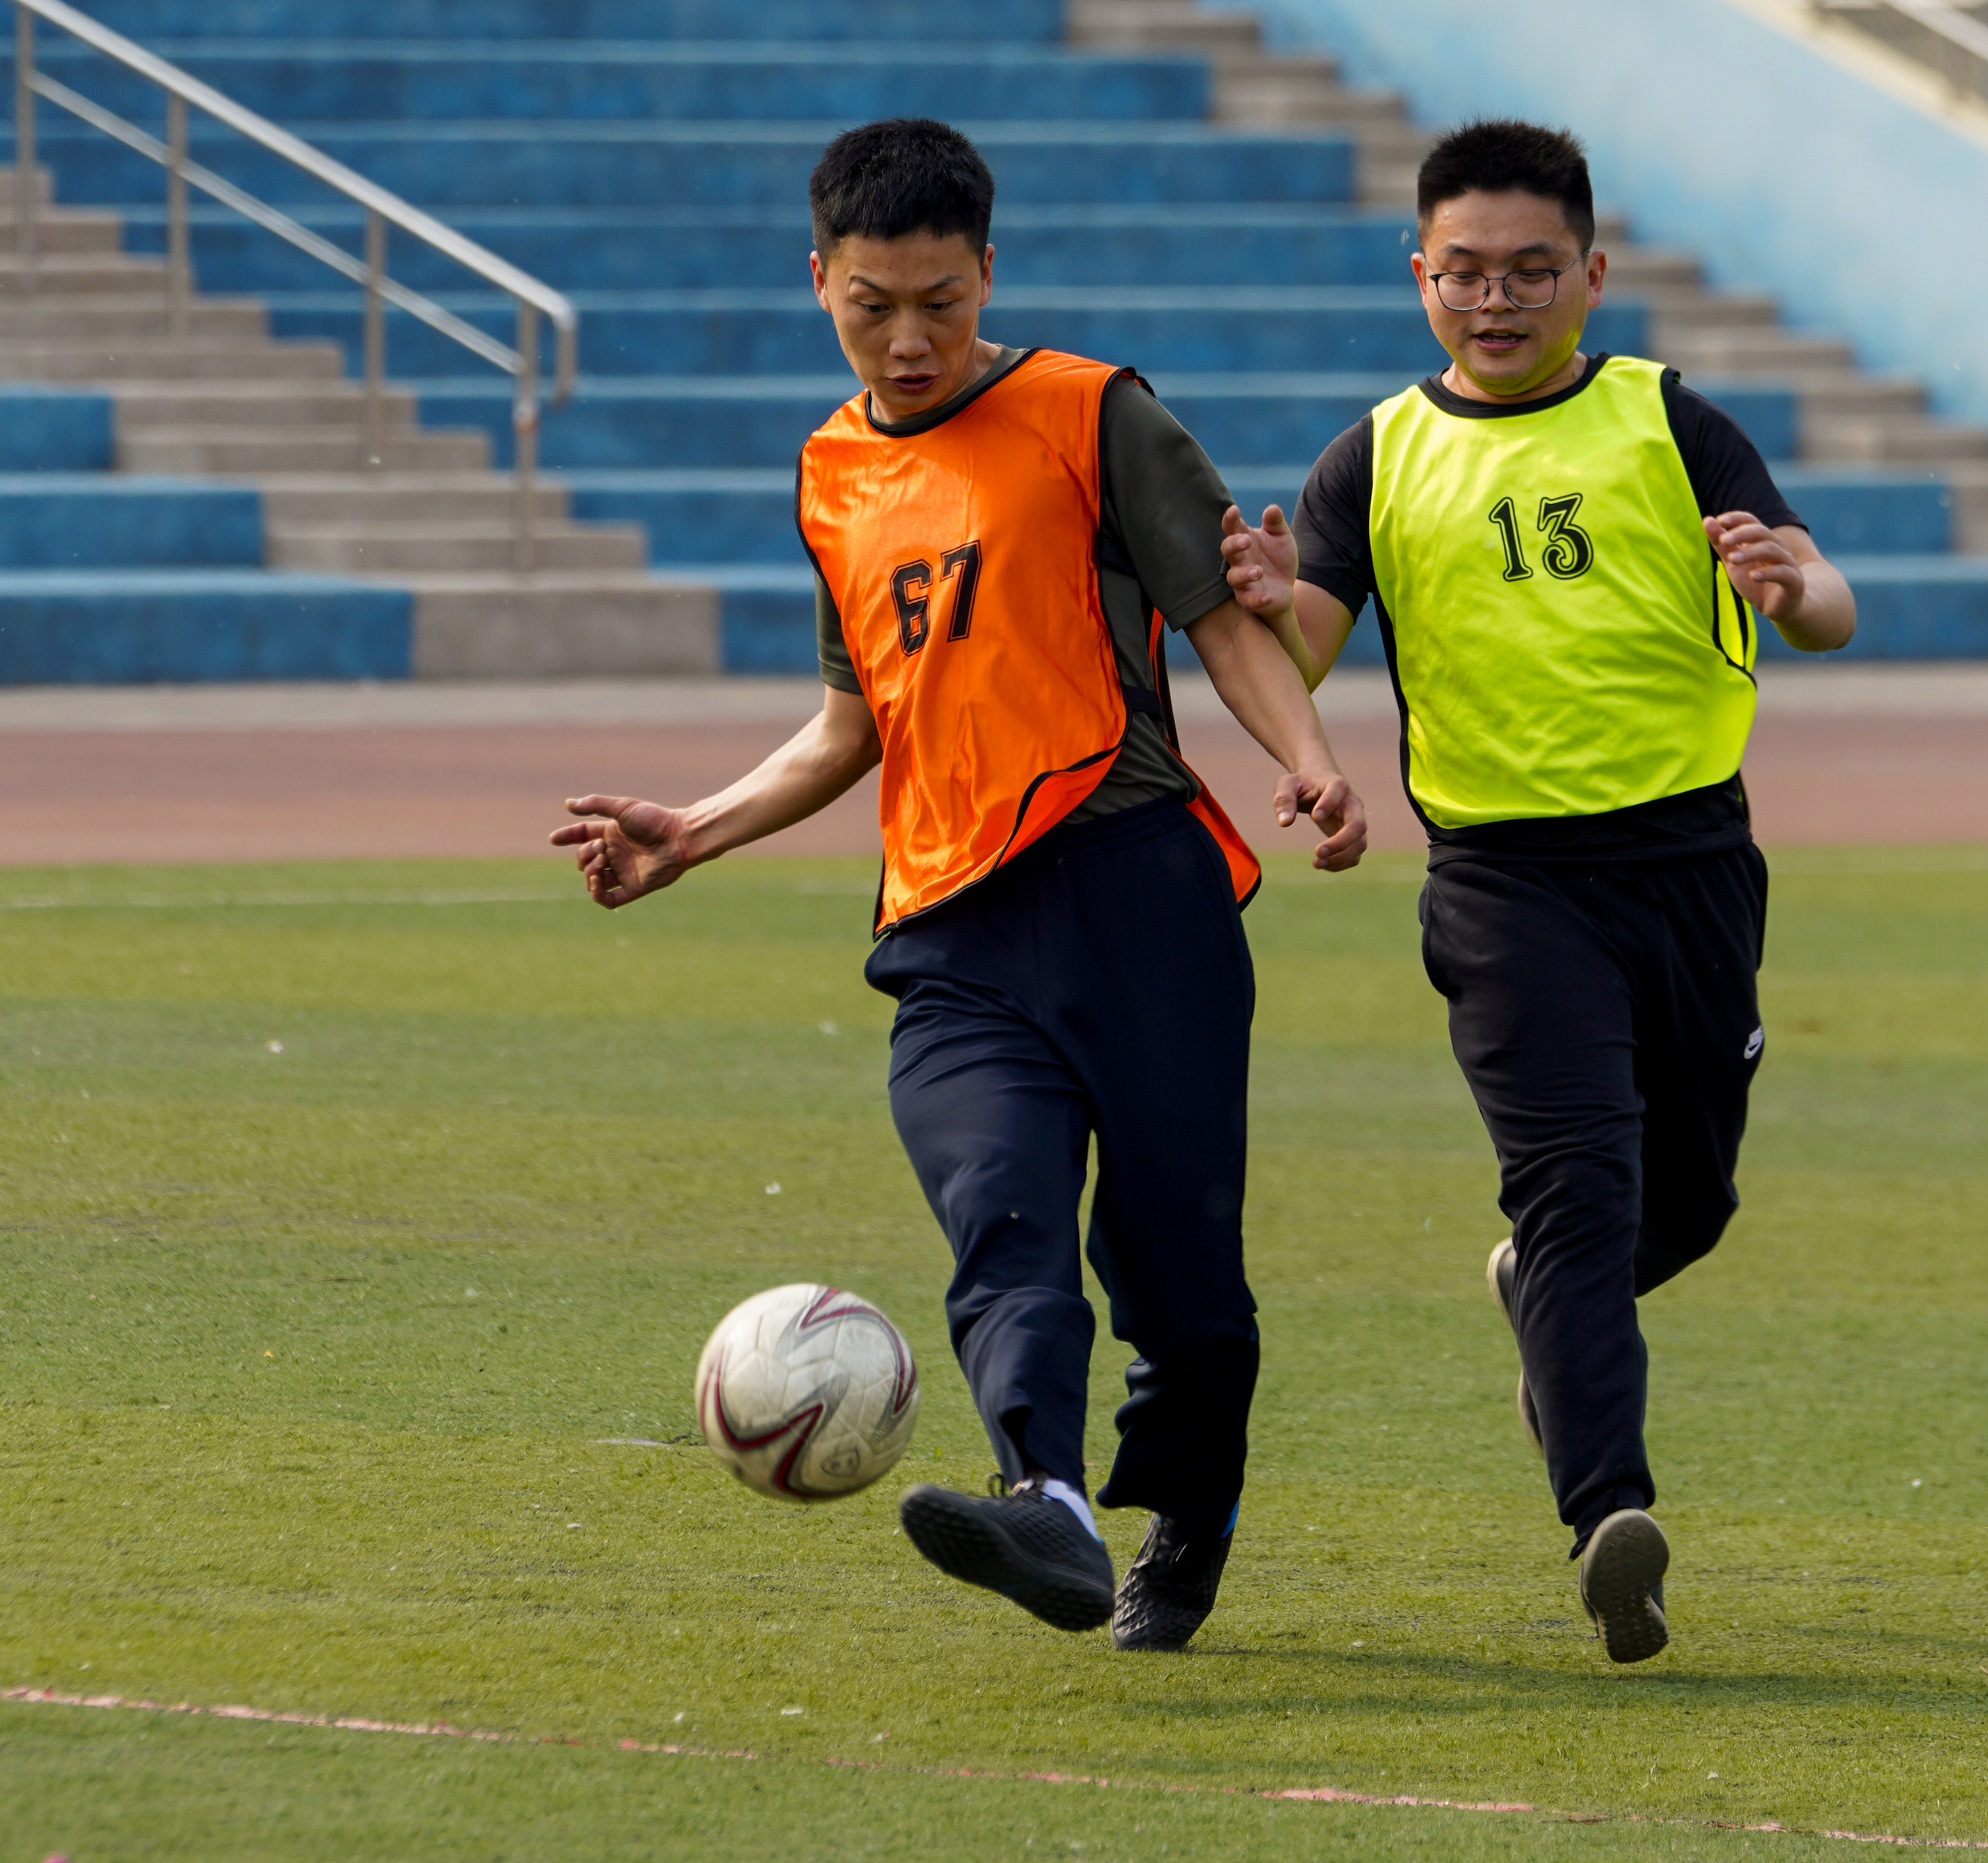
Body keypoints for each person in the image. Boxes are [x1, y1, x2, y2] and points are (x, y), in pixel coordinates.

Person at [552, 117, 1366, 1652]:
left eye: (941, 299)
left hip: (1137, 893)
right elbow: (857, 719)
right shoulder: (831, 472)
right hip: (950, 925)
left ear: (987, 269)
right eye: (874, 304)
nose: (911, 336)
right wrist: (697, 829)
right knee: (1000, 1209)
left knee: (1185, 1285)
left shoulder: (1091, 412)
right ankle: (1046, 1497)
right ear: (819, 283)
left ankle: (1187, 1508)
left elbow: (1222, 618)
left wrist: (1313, 755)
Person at [1222, 118, 1854, 1664]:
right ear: (1418, 273)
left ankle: (1538, 1299)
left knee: (1683, 1204)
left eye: (1530, 271)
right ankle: (1609, 1516)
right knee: (1578, 1184)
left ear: (1592, 273)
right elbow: (1294, 650)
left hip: (1695, 862)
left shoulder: (1673, 423)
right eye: (1464, 272)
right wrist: (1254, 609)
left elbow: (1828, 601)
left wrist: (1793, 585)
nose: (1493, 300)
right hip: (1505, 881)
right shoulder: (1373, 455)